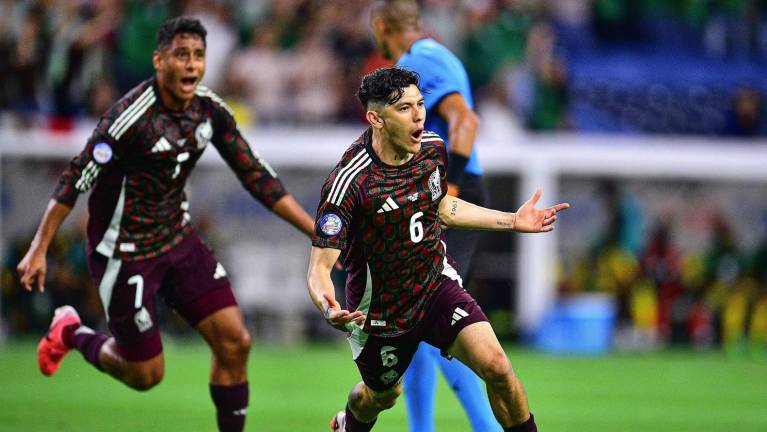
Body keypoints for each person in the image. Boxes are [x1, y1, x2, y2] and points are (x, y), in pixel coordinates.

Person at [16, 17, 316, 432]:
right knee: (145, 375)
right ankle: (71, 332)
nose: (192, 64)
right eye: (181, 55)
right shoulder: (128, 119)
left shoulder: (208, 110)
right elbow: (74, 178)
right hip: (124, 252)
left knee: (235, 342)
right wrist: (39, 248)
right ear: (159, 61)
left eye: (198, 56)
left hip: (178, 239)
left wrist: (316, 232)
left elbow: (256, 176)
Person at [307, 67, 568, 432]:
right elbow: (319, 268)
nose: (418, 115)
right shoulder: (349, 182)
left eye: (420, 104)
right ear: (376, 119)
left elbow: (441, 206)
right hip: (380, 308)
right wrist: (328, 307)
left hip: (434, 285)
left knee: (497, 366)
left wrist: (512, 220)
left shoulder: (431, 148)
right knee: (382, 396)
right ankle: (348, 423)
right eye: (404, 108)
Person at [369, 1, 498, 430]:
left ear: (381, 26)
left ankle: (488, 426)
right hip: (431, 192)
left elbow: (465, 120)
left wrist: (451, 187)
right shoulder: (427, 58)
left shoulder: (421, 60)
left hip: (450, 191)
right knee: (417, 316)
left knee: (440, 313)